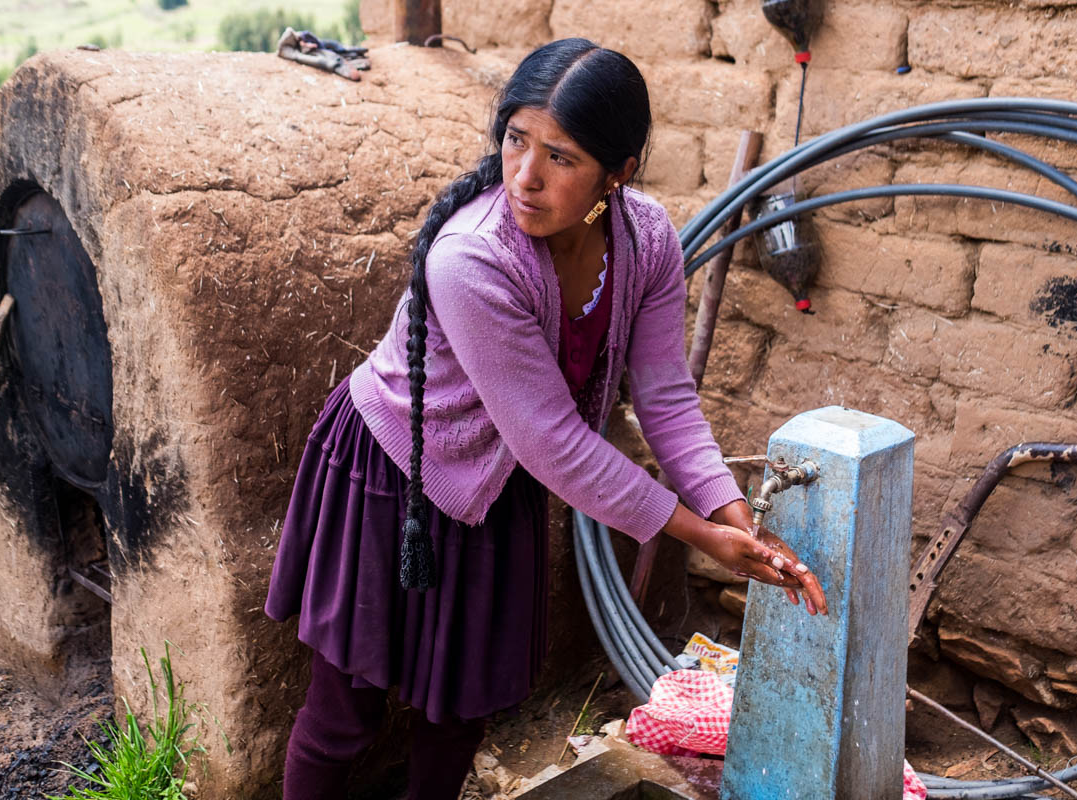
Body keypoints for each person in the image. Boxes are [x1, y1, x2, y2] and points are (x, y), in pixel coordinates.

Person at [264, 37, 827, 800]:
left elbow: (663, 394)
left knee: (459, 713)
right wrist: (699, 536)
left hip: (499, 490)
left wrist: (736, 519)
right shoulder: (471, 258)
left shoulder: (647, 239)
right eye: (515, 140)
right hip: (394, 474)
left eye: (559, 157)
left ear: (617, 173)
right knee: (345, 717)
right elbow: (552, 439)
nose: (525, 177)